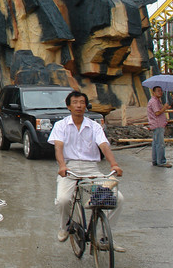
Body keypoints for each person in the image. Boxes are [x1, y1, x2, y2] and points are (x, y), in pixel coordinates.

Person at [50, 90, 125, 251]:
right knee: (63, 200)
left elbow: (104, 145)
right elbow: (58, 147)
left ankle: (101, 235)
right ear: (68, 106)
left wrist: (114, 164)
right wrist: (62, 165)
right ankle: (64, 226)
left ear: (86, 105)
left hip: (91, 169)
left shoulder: (94, 126)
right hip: (70, 169)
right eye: (75, 102)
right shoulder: (61, 125)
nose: (79, 105)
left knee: (117, 199)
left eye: (82, 102)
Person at [147, 86, 171, 167]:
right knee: (160, 144)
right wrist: (164, 107)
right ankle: (161, 161)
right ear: (153, 92)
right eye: (158, 91)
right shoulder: (154, 102)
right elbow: (157, 113)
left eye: (161, 91)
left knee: (155, 143)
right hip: (157, 124)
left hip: (157, 124)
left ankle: (155, 160)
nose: (160, 92)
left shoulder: (157, 101)